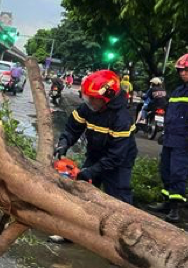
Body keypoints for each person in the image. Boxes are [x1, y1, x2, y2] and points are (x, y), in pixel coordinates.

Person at [54, 70, 138, 204]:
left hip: (119, 161)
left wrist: (92, 171)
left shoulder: (122, 119)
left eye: (93, 98)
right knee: (83, 190)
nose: (90, 101)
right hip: (95, 154)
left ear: (107, 98)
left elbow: (116, 156)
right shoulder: (87, 108)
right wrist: (63, 143)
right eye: (88, 97)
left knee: (118, 197)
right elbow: (72, 129)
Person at [148, 53, 188, 223]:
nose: (182, 73)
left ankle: (176, 208)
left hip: (185, 140)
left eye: (186, 70)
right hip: (171, 137)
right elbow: (171, 113)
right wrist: (164, 131)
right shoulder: (178, 90)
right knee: (165, 171)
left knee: (178, 172)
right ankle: (168, 202)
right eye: (180, 70)